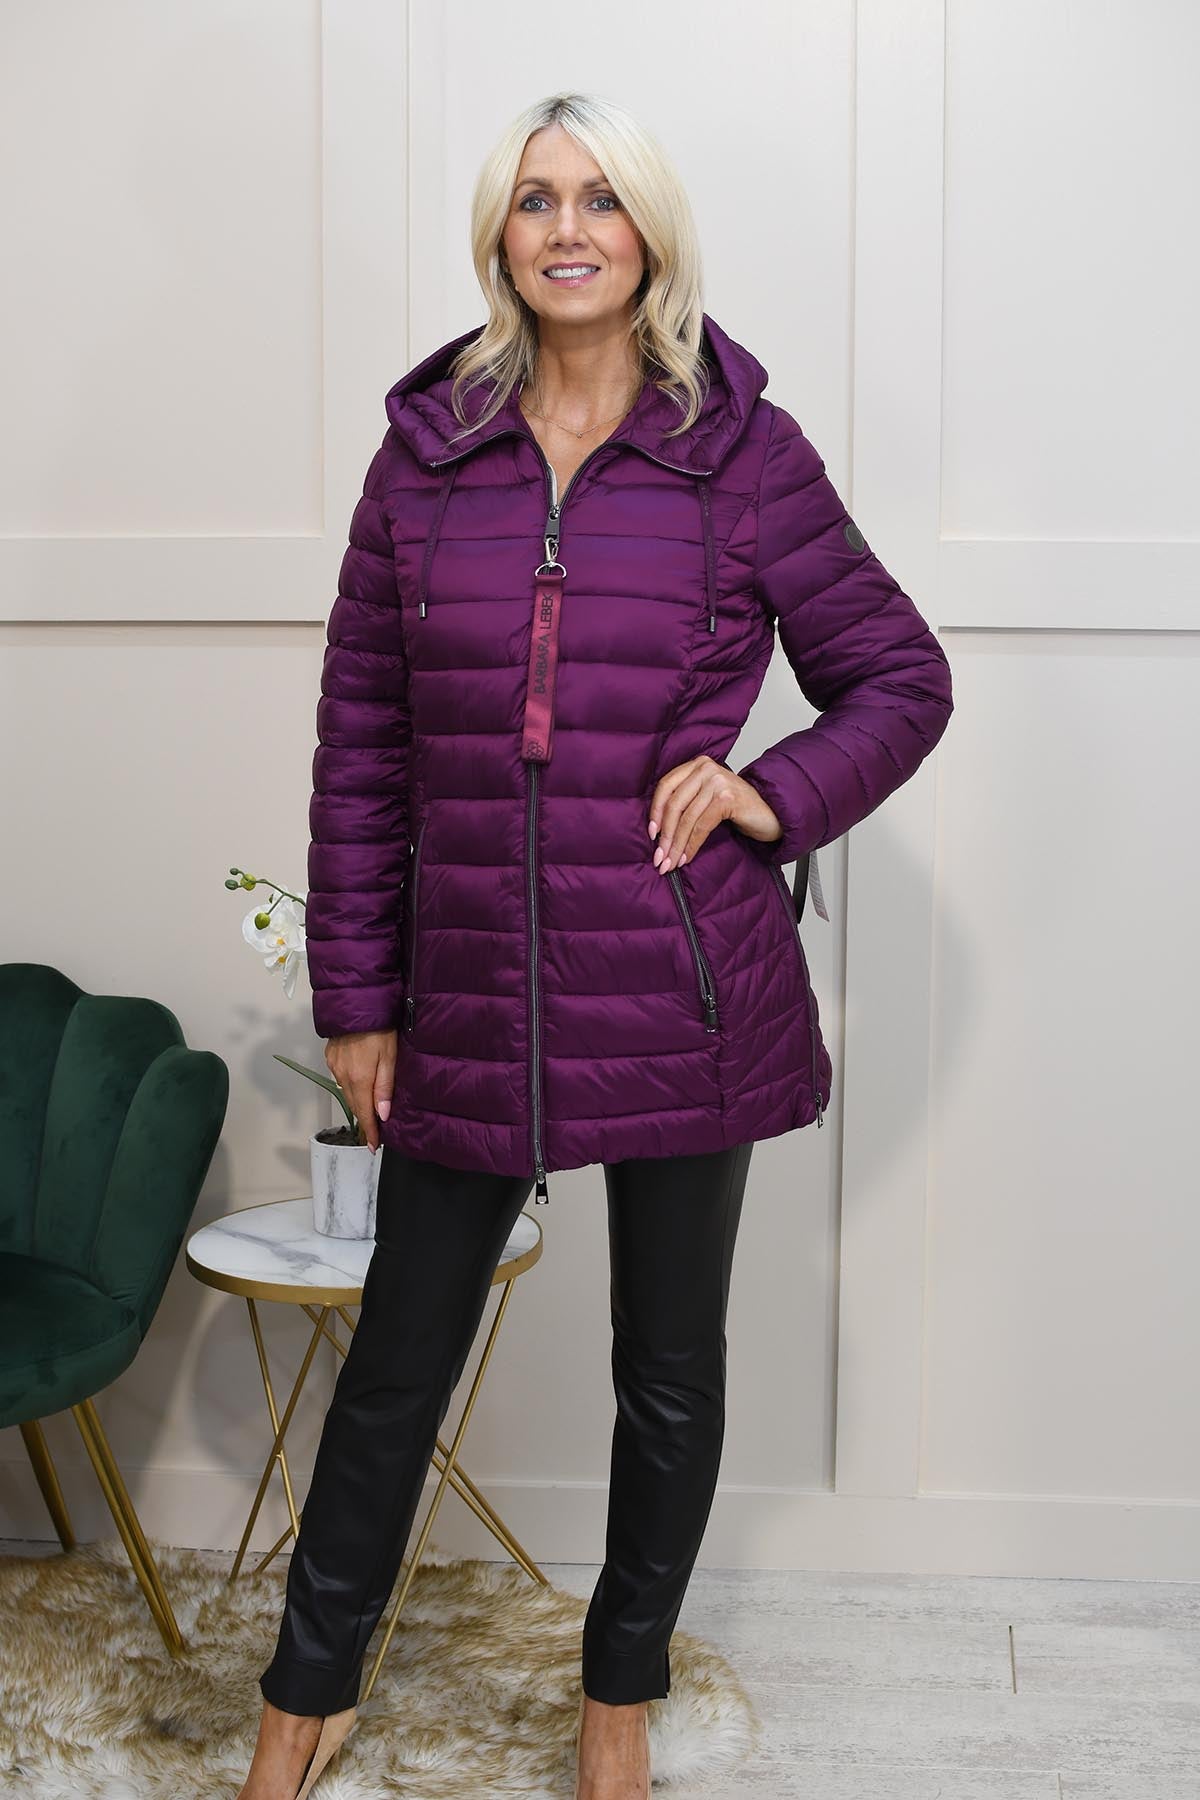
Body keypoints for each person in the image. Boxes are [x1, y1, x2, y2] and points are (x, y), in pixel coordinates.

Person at [236, 88, 954, 1800]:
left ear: (649, 235)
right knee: (396, 1365)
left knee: (670, 1372)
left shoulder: (743, 454)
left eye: (602, 200)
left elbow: (899, 678)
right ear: (501, 237)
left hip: (683, 987)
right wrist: (360, 999)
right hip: (470, 988)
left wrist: (769, 793)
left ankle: (618, 1695)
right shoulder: (425, 461)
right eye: (537, 200)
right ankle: (301, 1702)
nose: (570, 229)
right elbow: (362, 749)